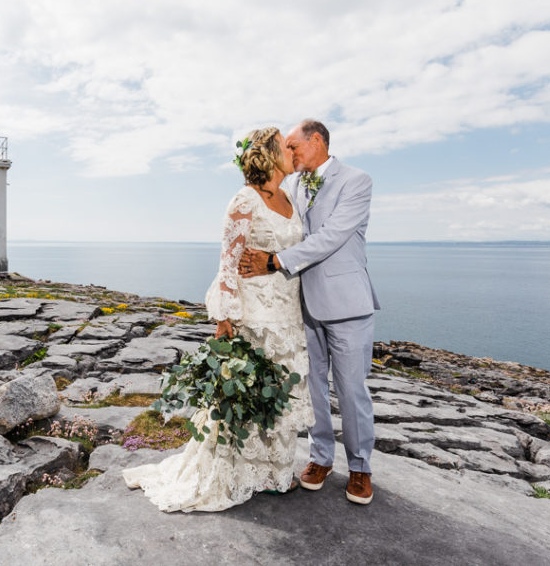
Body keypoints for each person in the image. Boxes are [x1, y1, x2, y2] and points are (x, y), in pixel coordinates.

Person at [123, 127, 313, 512]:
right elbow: (228, 262)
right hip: (255, 313)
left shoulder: (290, 198)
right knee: (251, 392)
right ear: (269, 153)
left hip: (288, 310)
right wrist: (224, 320)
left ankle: (273, 472)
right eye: (285, 144)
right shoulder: (244, 199)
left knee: (280, 390)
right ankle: (232, 472)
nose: (291, 149)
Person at [239, 119, 380, 505]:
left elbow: (332, 236)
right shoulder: (294, 185)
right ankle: (320, 458)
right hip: (301, 303)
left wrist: (274, 261)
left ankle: (361, 467)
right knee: (313, 387)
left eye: (294, 146)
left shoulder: (356, 180)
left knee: (351, 390)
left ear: (316, 140)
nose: (290, 153)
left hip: (348, 304)